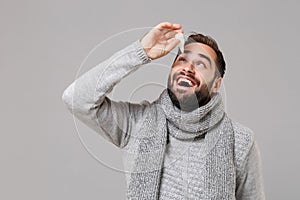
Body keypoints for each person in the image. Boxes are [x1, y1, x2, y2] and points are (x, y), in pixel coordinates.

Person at [62, 22, 265, 199]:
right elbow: (76, 99)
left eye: (201, 64)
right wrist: (141, 52)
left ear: (216, 84)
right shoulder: (137, 122)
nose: (188, 68)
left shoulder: (240, 141)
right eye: (182, 59)